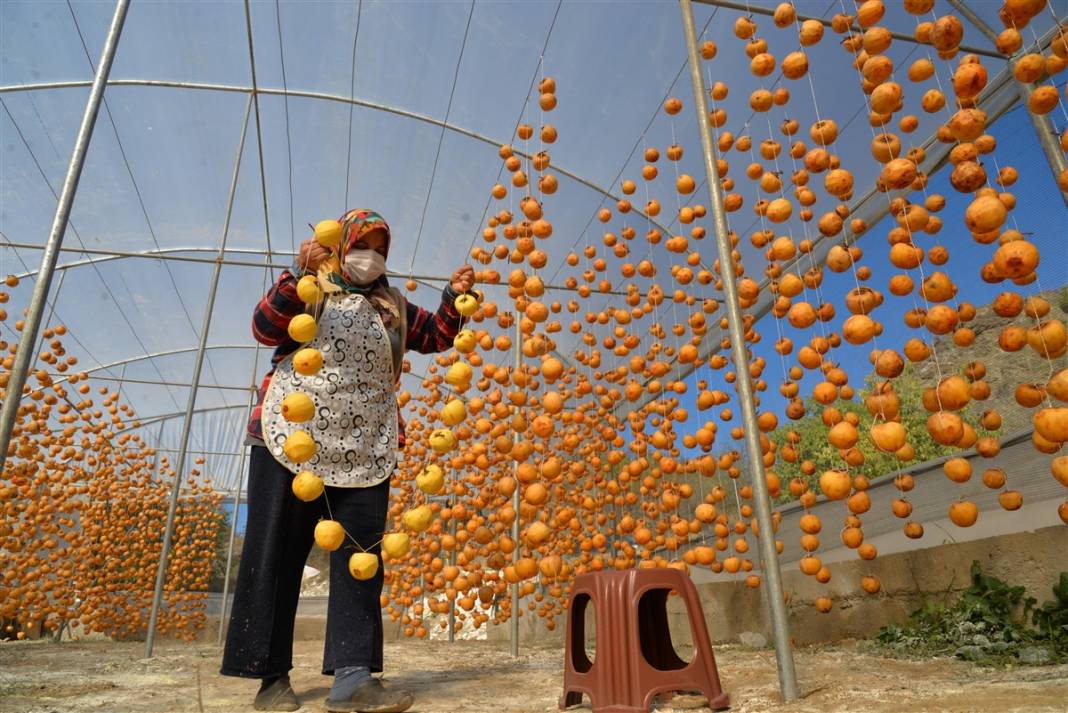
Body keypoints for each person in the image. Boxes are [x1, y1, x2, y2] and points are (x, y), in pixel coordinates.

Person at [220, 208, 473, 713]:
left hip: (364, 445)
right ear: (340, 246)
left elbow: (440, 336)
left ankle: (353, 678)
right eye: (364, 244)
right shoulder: (309, 287)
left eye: (381, 248)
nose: (371, 256)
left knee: (361, 559)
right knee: (275, 555)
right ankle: (270, 679)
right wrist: (296, 274)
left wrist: (453, 297)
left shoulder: (393, 306)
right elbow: (266, 329)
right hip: (290, 436)